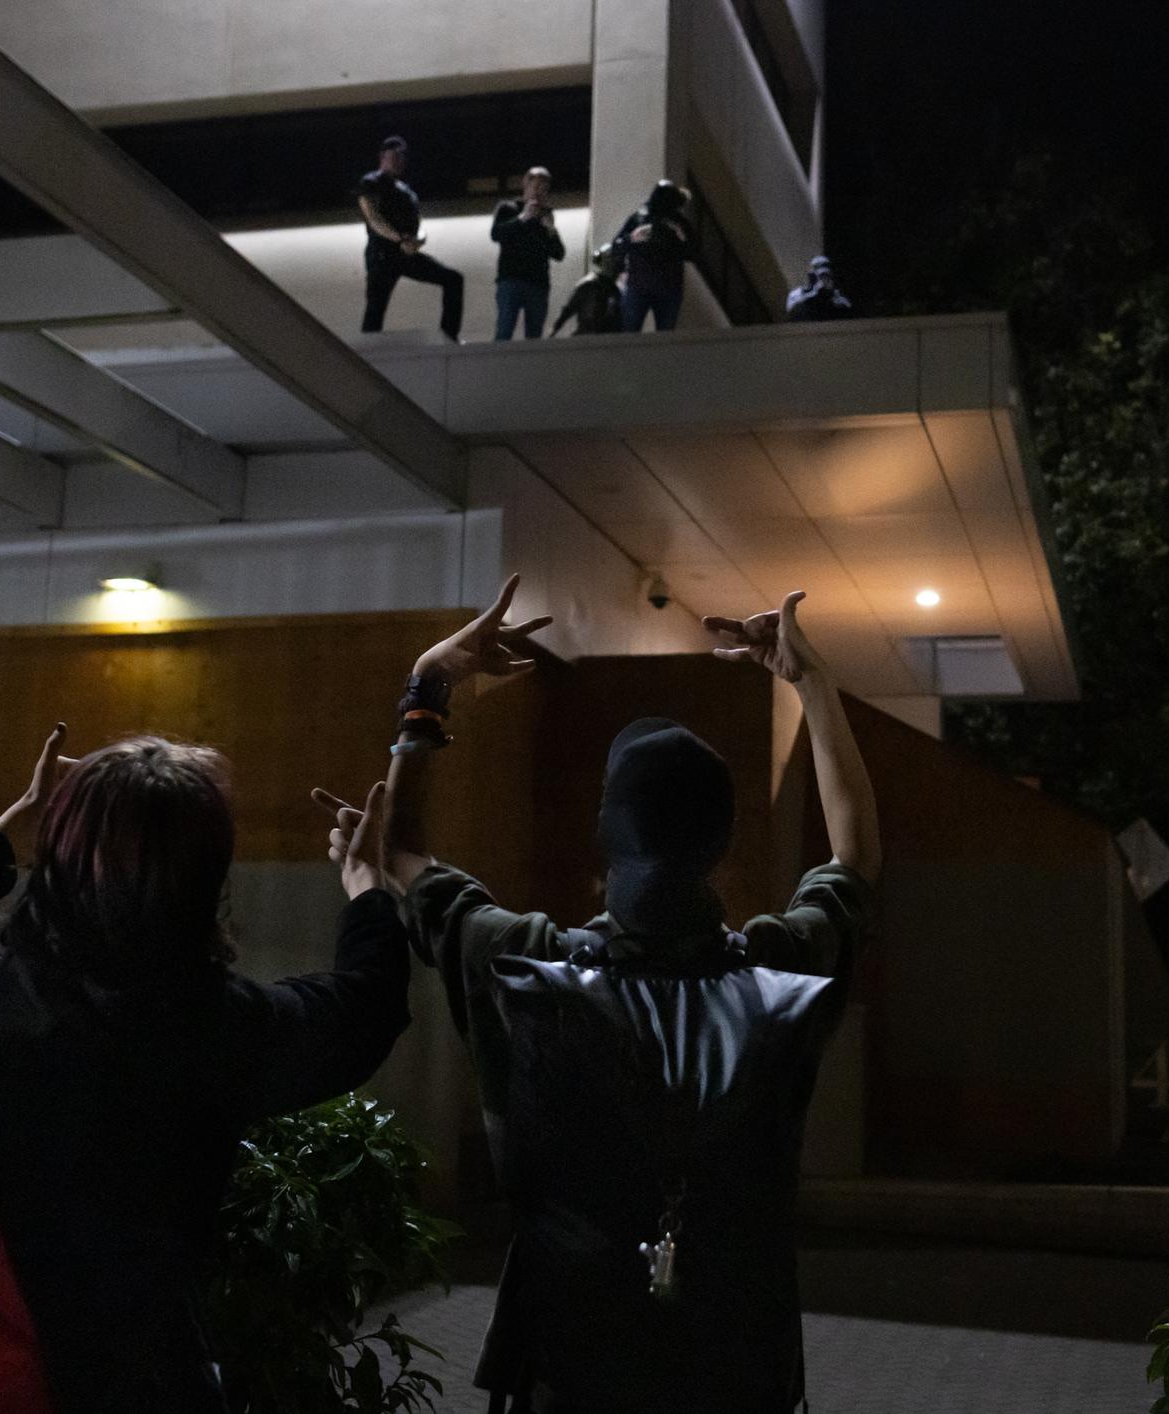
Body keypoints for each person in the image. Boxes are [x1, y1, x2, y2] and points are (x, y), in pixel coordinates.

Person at [314, 579, 880, 1414]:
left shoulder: (523, 967)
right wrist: (814, 685)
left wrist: (431, 684)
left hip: (567, 1365)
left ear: (606, 833)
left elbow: (397, 846)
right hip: (738, 1366)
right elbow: (856, 858)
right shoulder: (778, 976)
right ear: (719, 843)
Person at [0, 728, 411, 1411]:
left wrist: (16, 824)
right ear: (207, 879)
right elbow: (364, 1008)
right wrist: (367, 888)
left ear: (55, 859)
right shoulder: (218, 1033)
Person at [357, 135, 464, 341]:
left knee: (453, 279)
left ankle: (450, 337)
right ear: (382, 157)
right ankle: (367, 354)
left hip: (406, 253)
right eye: (394, 156)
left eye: (403, 157)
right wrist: (399, 239)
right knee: (375, 309)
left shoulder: (408, 192)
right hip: (381, 256)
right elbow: (373, 218)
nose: (399, 160)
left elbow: (419, 225)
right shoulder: (371, 182)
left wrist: (419, 241)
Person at [608, 180, 697, 333]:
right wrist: (632, 238)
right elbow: (616, 246)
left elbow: (693, 253)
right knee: (629, 333)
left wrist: (681, 237)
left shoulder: (678, 222)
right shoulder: (639, 218)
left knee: (664, 336)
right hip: (639, 286)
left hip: (668, 288)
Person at [491, 166, 567, 340]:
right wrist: (522, 218)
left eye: (544, 188)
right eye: (536, 186)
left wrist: (551, 230)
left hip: (538, 284)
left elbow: (559, 254)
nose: (540, 192)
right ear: (526, 185)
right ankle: (498, 366)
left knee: (534, 336)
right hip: (510, 280)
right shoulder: (508, 208)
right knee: (504, 330)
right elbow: (496, 234)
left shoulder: (546, 217)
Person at [551, 247, 623, 337]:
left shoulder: (616, 289)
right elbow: (569, 308)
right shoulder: (589, 284)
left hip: (608, 336)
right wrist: (555, 328)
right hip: (588, 333)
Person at [785, 254, 854, 322]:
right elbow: (791, 311)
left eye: (826, 276)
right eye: (820, 276)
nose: (822, 279)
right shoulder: (797, 293)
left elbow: (850, 311)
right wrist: (813, 294)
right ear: (811, 275)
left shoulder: (835, 294)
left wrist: (832, 297)